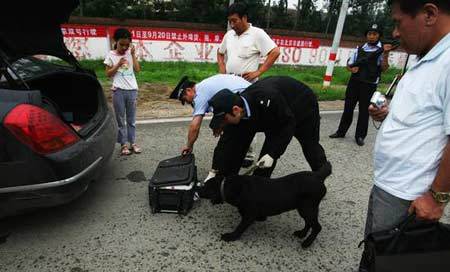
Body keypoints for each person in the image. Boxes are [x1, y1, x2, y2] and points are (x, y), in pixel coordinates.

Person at [359, 0, 450, 271]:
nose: (395, 33)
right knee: (375, 254)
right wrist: (388, 113)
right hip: (389, 184)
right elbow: (426, 116)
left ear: (429, 14)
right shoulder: (428, 57)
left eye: (398, 22)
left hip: (410, 195)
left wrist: (437, 197)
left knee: (392, 262)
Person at [207, 76, 328, 178]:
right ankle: (249, 187)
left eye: (225, 119)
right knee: (239, 142)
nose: (225, 123)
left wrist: (273, 154)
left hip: (301, 104)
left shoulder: (267, 98)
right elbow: (227, 144)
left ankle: (320, 177)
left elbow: (288, 124)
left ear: (236, 110)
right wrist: (216, 173)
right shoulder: (237, 112)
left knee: (309, 144)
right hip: (274, 112)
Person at [218, 2, 280, 164]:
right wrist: (222, 70)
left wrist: (259, 72)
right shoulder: (229, 35)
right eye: (230, 21)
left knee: (246, 119)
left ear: (244, 18)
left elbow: (275, 52)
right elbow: (220, 53)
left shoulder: (257, 34)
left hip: (248, 87)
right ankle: (232, 148)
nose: (232, 25)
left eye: (235, 21)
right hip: (230, 84)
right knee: (230, 117)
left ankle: (248, 154)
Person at [169, 74, 251, 182]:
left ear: (189, 90)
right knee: (234, 137)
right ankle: (231, 169)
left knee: (225, 141)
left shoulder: (199, 94)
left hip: (245, 98)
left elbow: (195, 126)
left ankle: (215, 175)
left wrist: (189, 146)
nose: (187, 103)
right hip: (246, 96)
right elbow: (222, 112)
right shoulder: (204, 87)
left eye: (184, 99)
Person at [329, 23, 392, 146]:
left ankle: (360, 136)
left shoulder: (382, 50)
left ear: (379, 36)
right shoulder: (359, 49)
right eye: (369, 34)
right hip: (355, 82)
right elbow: (349, 64)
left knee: (364, 111)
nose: (372, 36)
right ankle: (341, 131)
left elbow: (384, 68)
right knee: (348, 108)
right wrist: (351, 69)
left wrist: (385, 54)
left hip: (369, 84)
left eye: (375, 34)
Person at [104, 28, 142, 156]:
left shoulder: (129, 53)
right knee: (120, 119)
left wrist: (132, 55)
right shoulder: (111, 55)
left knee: (131, 120)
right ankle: (123, 144)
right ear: (116, 41)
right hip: (118, 91)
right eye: (122, 44)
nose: (124, 47)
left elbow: (137, 70)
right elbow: (108, 74)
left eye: (127, 44)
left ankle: (133, 142)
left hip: (132, 90)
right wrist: (118, 64)